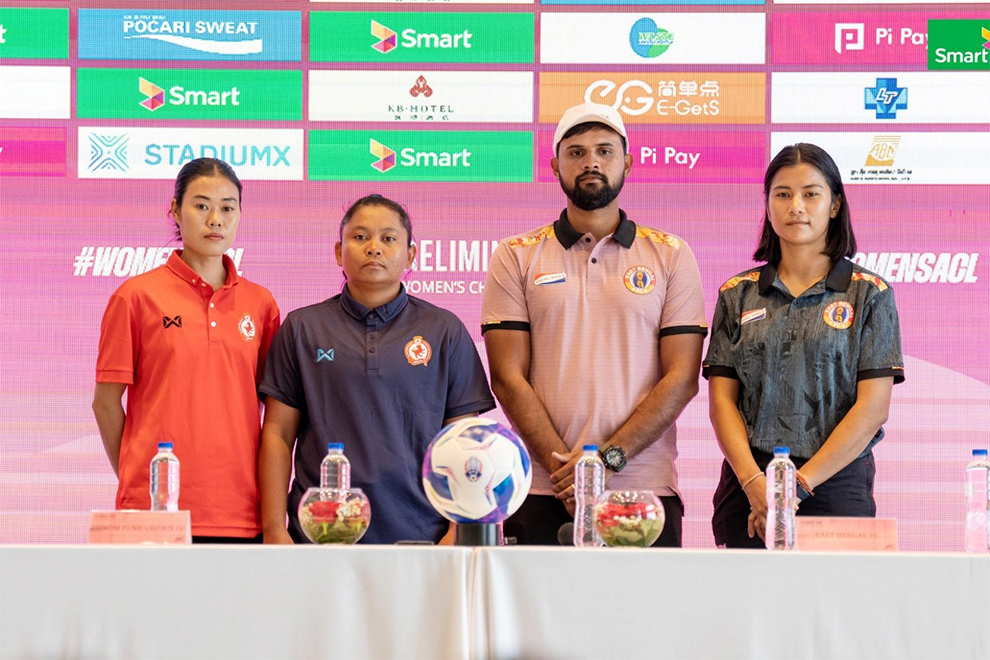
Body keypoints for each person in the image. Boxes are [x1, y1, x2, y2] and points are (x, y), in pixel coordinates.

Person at [481, 103, 707, 546]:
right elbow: (507, 378)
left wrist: (608, 461)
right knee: (536, 617)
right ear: (555, 166)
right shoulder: (516, 254)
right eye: (577, 152)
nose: (591, 162)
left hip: (644, 488)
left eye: (605, 151)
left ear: (627, 162)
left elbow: (681, 378)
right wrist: (569, 473)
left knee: (643, 616)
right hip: (545, 488)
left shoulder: (671, 254)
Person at [258, 194, 495, 545]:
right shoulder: (302, 328)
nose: (373, 248)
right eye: (360, 237)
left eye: (388, 238)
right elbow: (277, 434)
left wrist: (457, 528)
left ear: (411, 255)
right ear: (339, 251)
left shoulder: (444, 330)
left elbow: (464, 443)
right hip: (321, 533)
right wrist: (275, 528)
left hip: (422, 534)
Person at [703, 143, 905, 548]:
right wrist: (756, 482)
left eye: (811, 193)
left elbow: (872, 408)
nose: (796, 205)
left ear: (834, 205)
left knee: (833, 610)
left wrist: (797, 486)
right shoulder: (737, 294)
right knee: (745, 609)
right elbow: (722, 402)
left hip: (834, 485)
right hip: (749, 486)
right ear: (768, 205)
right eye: (783, 194)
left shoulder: (870, 294)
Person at [92, 158, 280, 542]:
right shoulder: (136, 296)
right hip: (154, 513)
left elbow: (275, 412)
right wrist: (137, 478)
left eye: (228, 207)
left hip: (240, 512)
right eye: (201, 205)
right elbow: (106, 403)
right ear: (175, 210)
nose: (215, 219)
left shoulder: (262, 305)